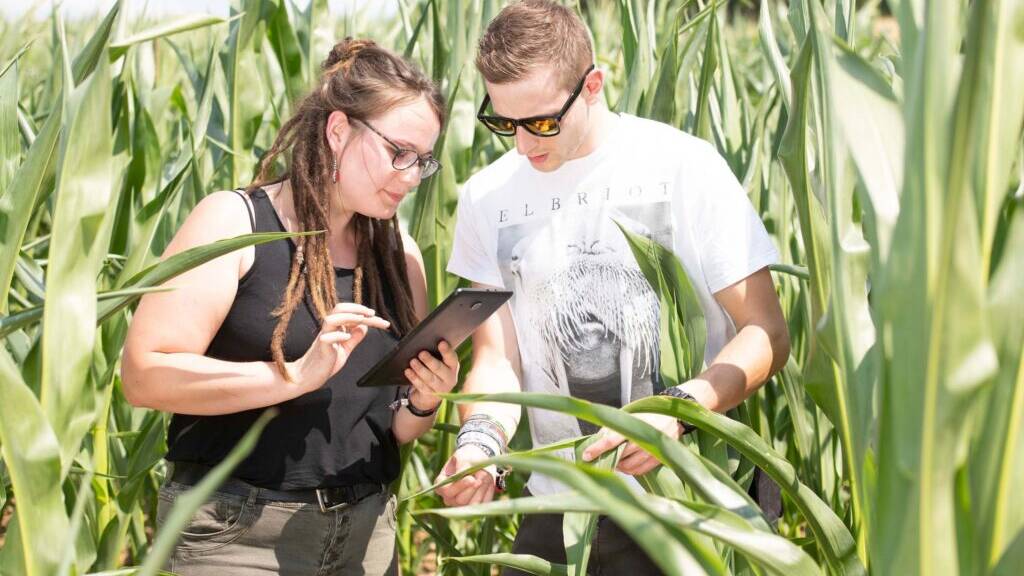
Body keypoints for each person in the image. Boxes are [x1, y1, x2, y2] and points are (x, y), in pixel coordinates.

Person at [435, 1, 790, 574]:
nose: (524, 145)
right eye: (504, 123)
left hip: (692, 500)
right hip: (562, 505)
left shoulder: (684, 168)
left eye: (543, 122)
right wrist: (479, 444)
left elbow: (766, 331)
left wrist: (678, 412)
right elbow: (498, 358)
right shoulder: (486, 197)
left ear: (593, 85)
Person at [121, 38, 458, 576]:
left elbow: (390, 429)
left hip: (367, 538)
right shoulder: (234, 225)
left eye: (423, 161)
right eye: (398, 153)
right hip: (240, 539)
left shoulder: (399, 256)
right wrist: (293, 376)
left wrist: (424, 400)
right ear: (338, 131)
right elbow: (144, 376)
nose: (411, 177)